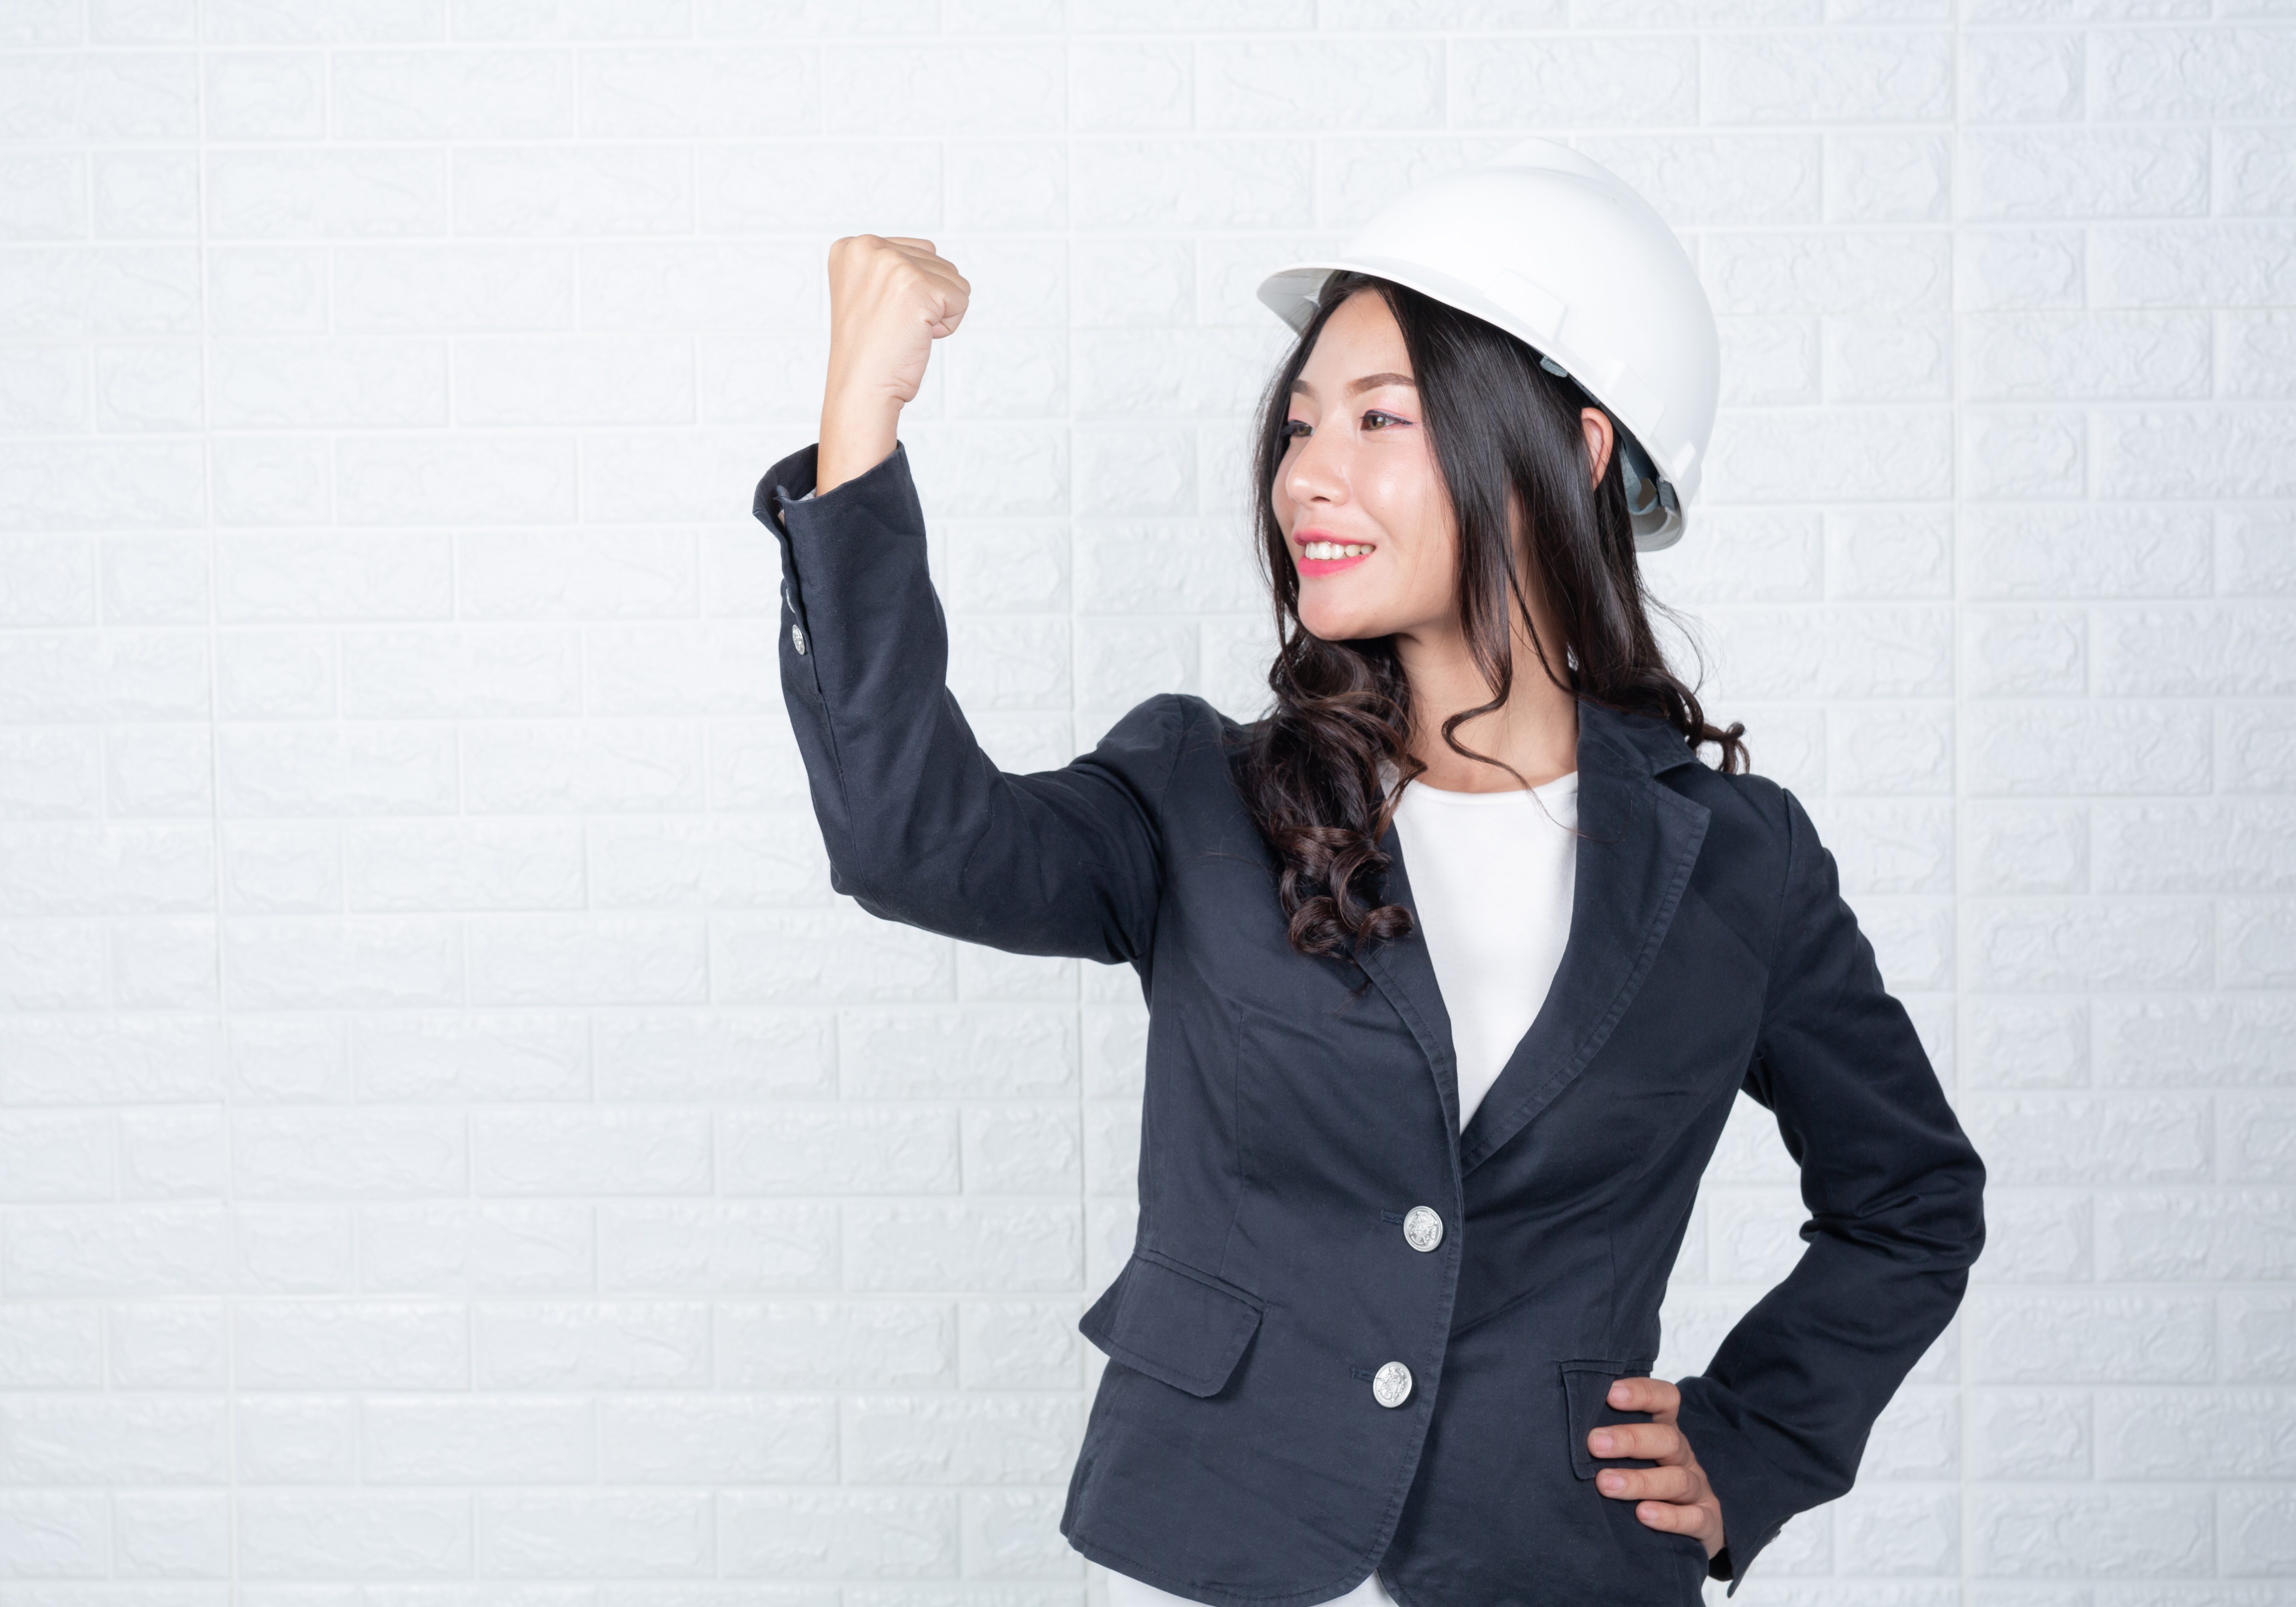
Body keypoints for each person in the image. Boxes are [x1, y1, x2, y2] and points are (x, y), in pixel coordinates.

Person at [748, 141, 1987, 1607]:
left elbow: (1910, 1197)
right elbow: (911, 841)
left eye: (1378, 419)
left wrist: (1755, 1442)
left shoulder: (1740, 859)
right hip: (1213, 1555)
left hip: (1555, 1561)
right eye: (1299, 427)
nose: (1306, 479)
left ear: (1573, 451)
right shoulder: (1198, 793)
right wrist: (860, 426)